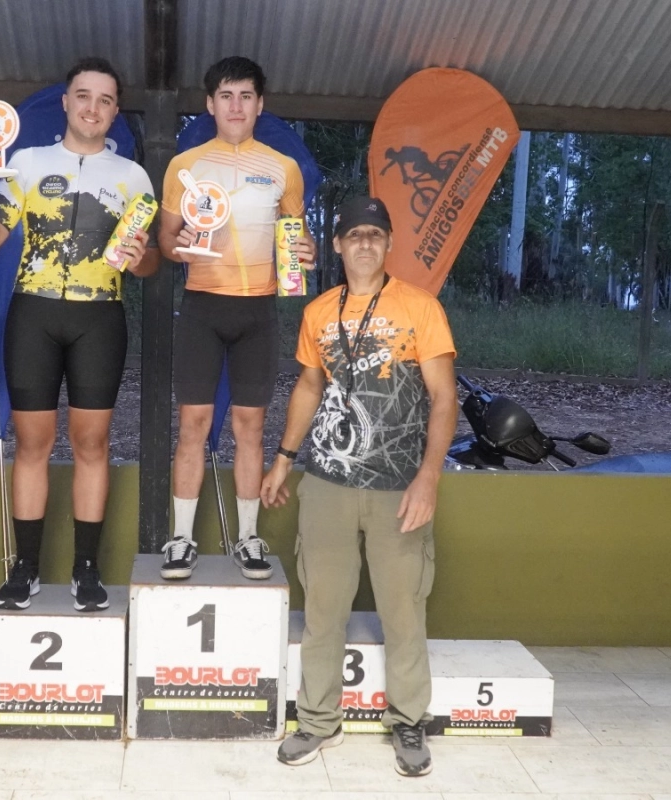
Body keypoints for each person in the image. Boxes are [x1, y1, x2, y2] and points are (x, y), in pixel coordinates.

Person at [261, 197, 457, 777]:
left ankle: (409, 724)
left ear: (388, 242)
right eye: (354, 234)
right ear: (339, 246)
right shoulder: (319, 311)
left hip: (399, 484)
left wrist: (429, 478)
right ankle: (318, 722)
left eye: (375, 233)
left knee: (402, 610)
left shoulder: (420, 308)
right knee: (323, 610)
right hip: (327, 481)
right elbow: (308, 386)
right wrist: (282, 460)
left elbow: (444, 397)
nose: (365, 243)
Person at [0, 57, 158, 613]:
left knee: (93, 444)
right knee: (33, 445)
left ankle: (86, 569)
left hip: (100, 318)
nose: (92, 107)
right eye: (83, 96)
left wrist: (143, 258)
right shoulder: (25, 162)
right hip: (34, 316)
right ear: (66, 102)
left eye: (104, 100)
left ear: (115, 112)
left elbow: (145, 268)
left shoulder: (134, 178)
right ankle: (23, 569)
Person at [158, 56, 316, 580]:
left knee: (250, 427)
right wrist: (177, 245)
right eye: (226, 96)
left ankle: (248, 538)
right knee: (193, 426)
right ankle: (180, 538)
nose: (236, 106)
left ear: (260, 104)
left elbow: (294, 238)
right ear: (210, 104)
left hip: (259, 312)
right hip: (202, 306)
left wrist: (306, 253)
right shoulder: (185, 165)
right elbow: (165, 241)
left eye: (246, 96)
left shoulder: (282, 168)